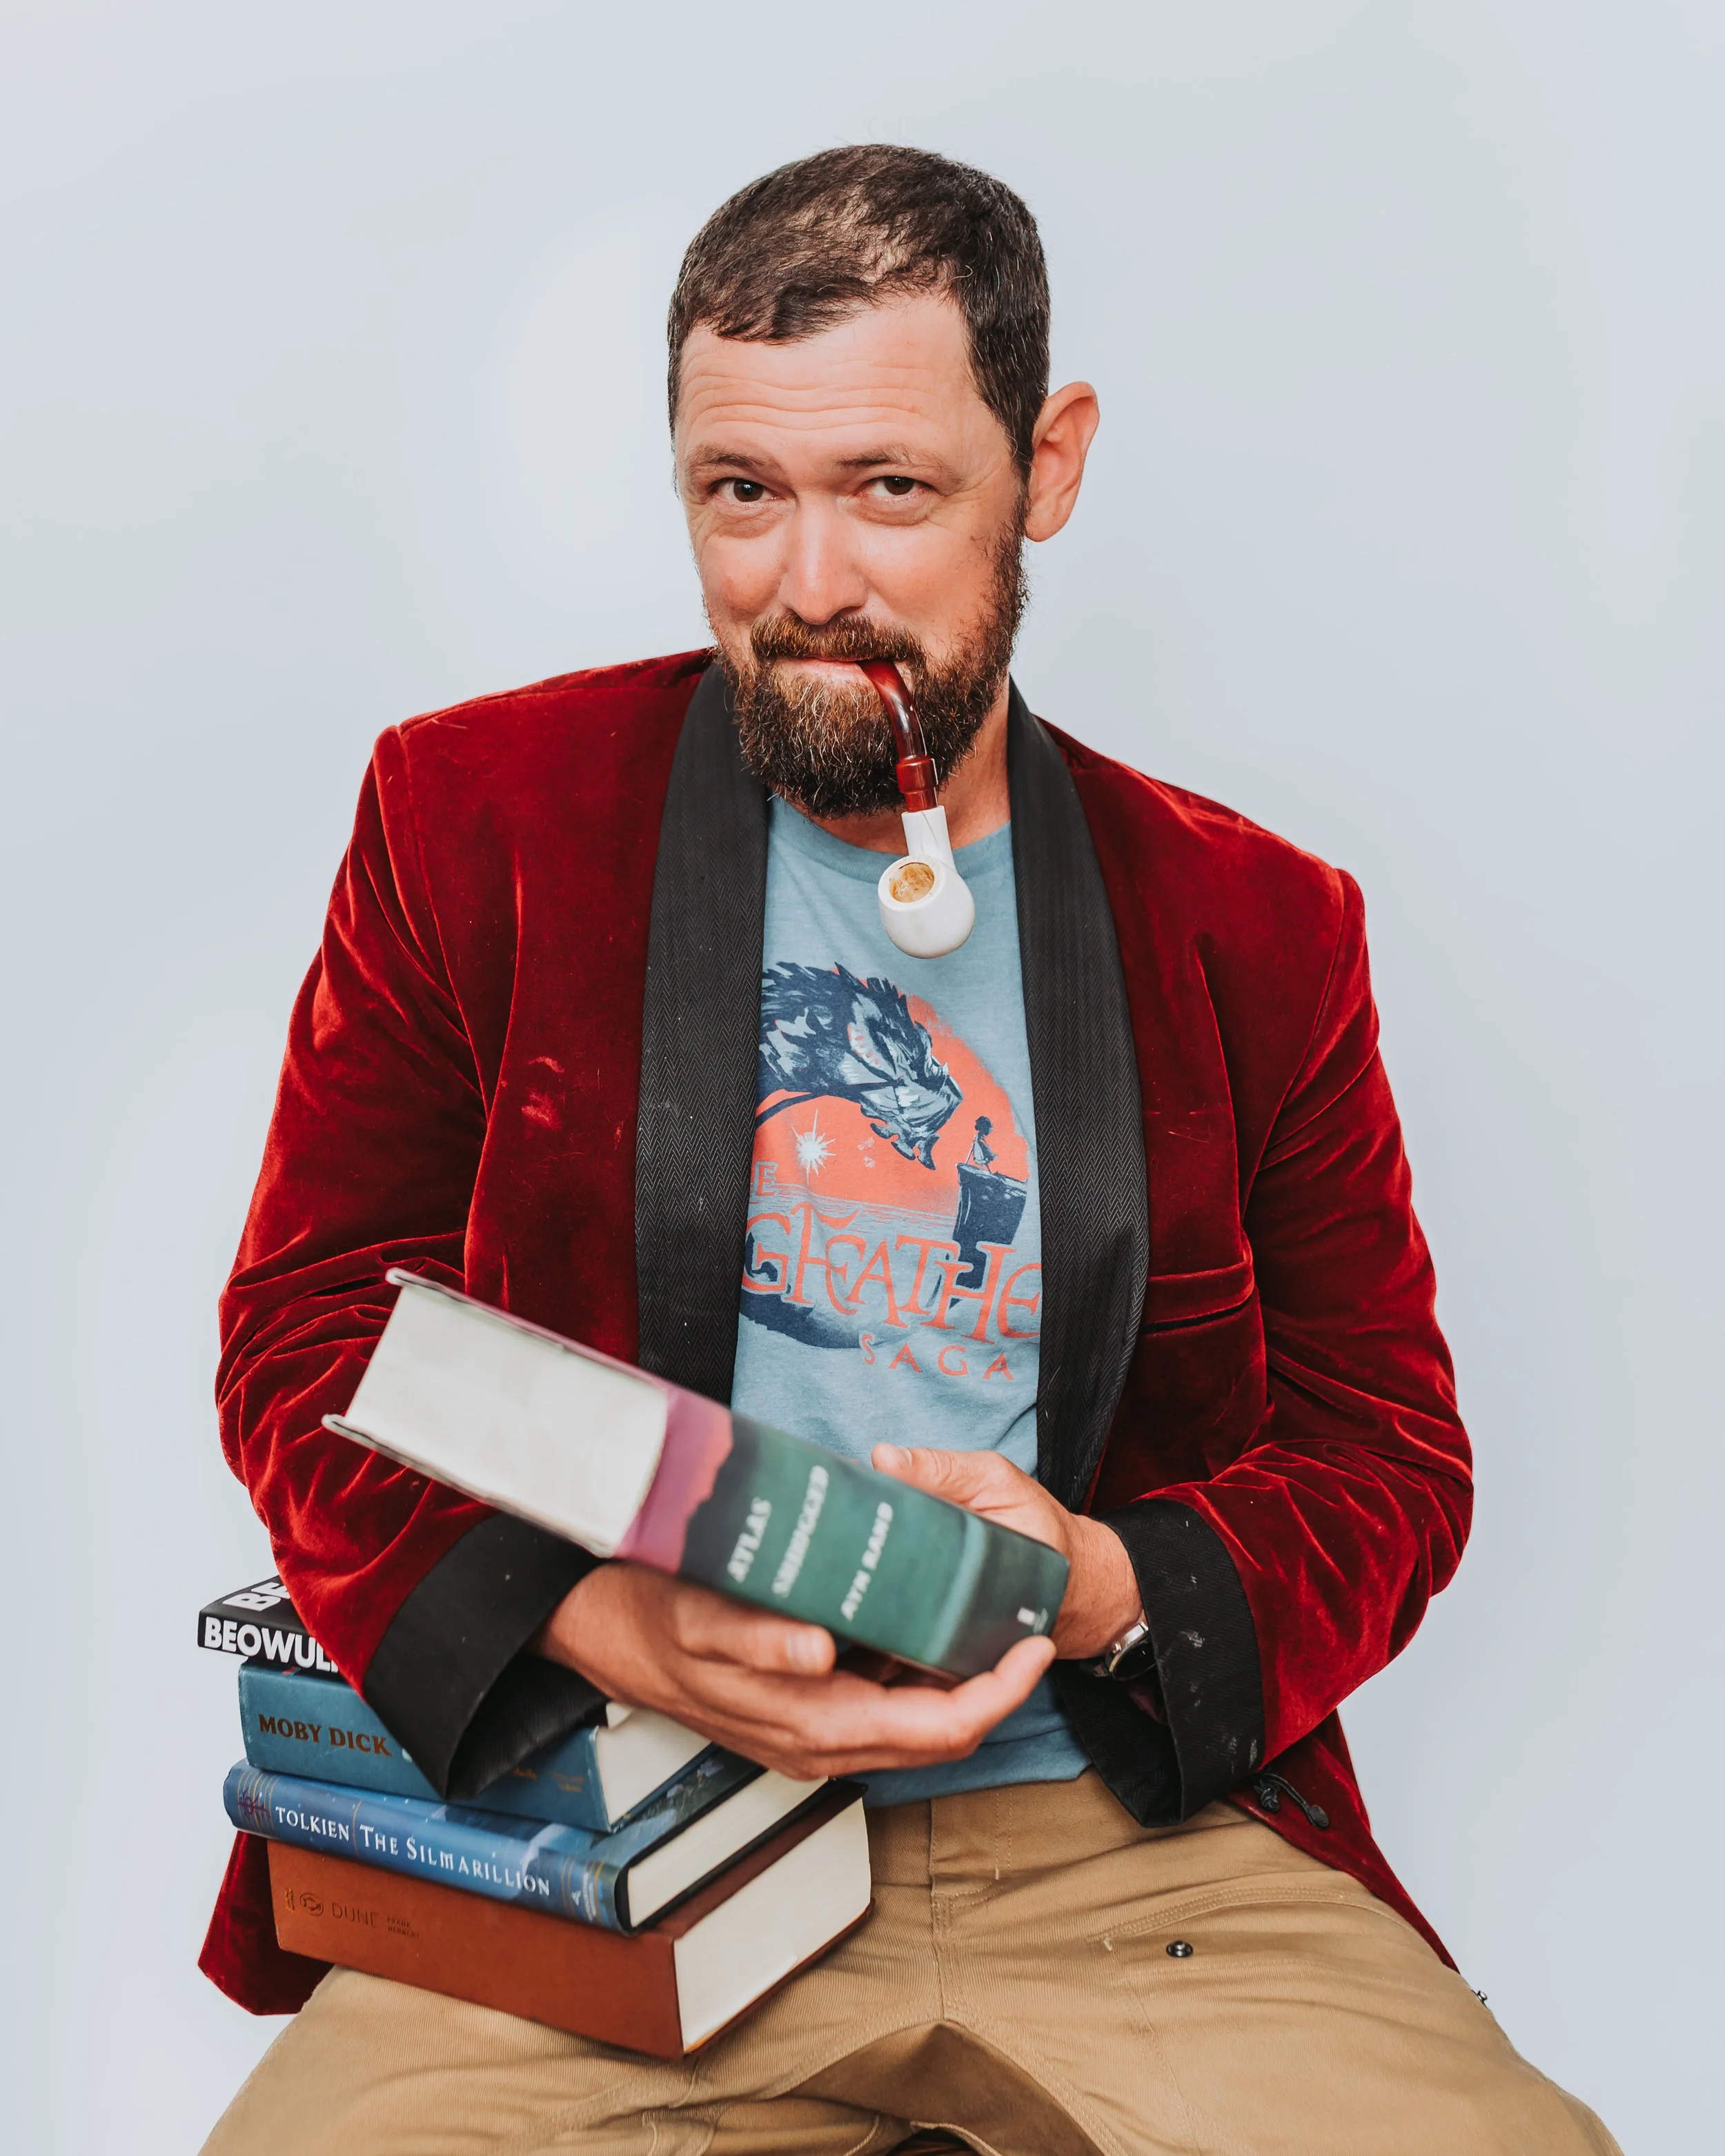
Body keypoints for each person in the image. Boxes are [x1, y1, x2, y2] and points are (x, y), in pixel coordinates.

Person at [200, 146, 1618, 2155]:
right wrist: (600, 1621)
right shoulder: (474, 816)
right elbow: (310, 1328)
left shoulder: (1255, 919)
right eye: (738, 492)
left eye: (889, 488)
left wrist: (1100, 1579)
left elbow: (1385, 1447)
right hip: (623, 1813)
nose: (806, 584)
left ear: (1045, 466)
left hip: (1112, 1840)